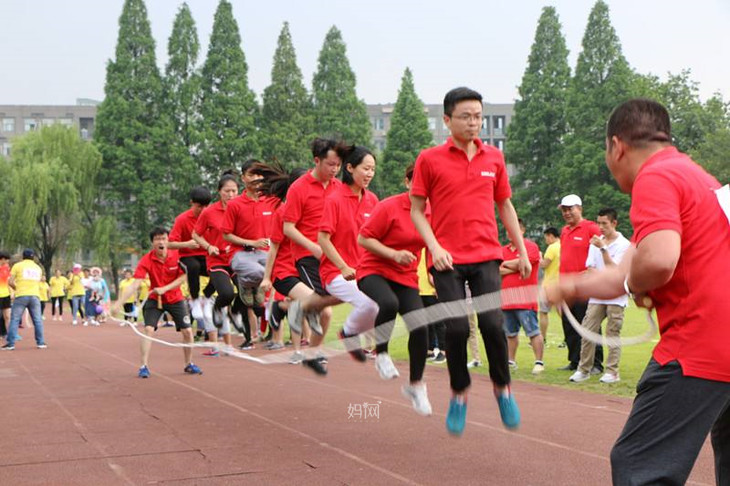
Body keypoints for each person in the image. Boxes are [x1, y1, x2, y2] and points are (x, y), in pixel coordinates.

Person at [547, 98, 730, 485]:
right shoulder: (698, 177)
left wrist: (636, 284)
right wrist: (571, 286)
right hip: (721, 345)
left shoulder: (655, 176)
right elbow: (629, 268)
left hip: (701, 345)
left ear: (617, 146)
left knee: (640, 466)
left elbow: (659, 261)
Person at [410, 87, 529, 435]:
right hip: (446, 259)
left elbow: (505, 205)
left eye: (478, 116)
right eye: (466, 116)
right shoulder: (429, 159)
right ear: (447, 120)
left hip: (487, 255)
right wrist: (434, 248)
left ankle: (502, 389)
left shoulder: (494, 158)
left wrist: (520, 250)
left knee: (493, 324)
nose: (474, 122)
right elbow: (417, 211)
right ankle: (459, 393)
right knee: (458, 328)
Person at [291, 145, 380, 375]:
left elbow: (376, 237)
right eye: (365, 168)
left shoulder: (372, 200)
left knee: (382, 303)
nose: (370, 173)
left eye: (373, 169)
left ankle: (299, 312)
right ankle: (348, 335)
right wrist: (342, 265)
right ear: (351, 168)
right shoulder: (334, 198)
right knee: (368, 304)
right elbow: (322, 238)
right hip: (335, 270)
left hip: (362, 271)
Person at [357, 163, 431, 415]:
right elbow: (363, 238)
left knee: (421, 326)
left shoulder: (433, 212)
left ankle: (416, 386)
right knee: (389, 304)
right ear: (407, 182)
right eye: (416, 181)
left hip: (406, 277)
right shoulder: (389, 206)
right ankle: (381, 354)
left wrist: (433, 272)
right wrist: (393, 254)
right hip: (373, 269)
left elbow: (434, 245)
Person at [283, 138, 346, 374]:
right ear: (316, 161)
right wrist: (313, 247)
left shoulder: (339, 188)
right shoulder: (299, 188)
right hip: (308, 256)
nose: (334, 170)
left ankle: (312, 352)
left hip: (332, 254)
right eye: (330, 164)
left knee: (341, 301)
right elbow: (288, 228)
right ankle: (296, 313)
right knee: (326, 310)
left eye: (338, 165)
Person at [113, 227, 202, 378]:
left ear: (169, 241)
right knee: (148, 329)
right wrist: (118, 303)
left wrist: (165, 288)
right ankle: (143, 366)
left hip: (175, 298)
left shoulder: (177, 255)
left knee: (187, 331)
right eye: (157, 239)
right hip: (154, 299)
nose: (161, 242)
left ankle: (188, 364)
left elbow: (183, 277)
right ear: (152, 243)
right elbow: (135, 284)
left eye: (164, 239)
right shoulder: (146, 260)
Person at [569, 208, 630, 384]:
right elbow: (591, 268)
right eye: (599, 223)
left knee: (612, 332)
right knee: (588, 330)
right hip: (597, 294)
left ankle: (612, 371)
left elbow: (616, 271)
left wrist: (603, 250)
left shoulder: (623, 245)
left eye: (605, 223)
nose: (601, 227)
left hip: (616, 295)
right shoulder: (595, 243)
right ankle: (584, 369)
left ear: (614, 223)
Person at [223, 159, 278, 346]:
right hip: (241, 253)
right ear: (243, 177)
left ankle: (271, 331)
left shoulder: (271, 201)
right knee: (262, 275)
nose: (256, 179)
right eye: (251, 175)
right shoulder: (235, 204)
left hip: (266, 253)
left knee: (278, 277)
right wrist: (251, 242)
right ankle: (247, 284)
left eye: (259, 175)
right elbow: (226, 235)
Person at [192, 172, 240, 355]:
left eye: (234, 191)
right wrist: (209, 246)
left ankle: (229, 315)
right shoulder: (209, 212)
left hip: (237, 259)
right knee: (227, 293)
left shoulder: (241, 209)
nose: (230, 194)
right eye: (227, 191)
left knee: (247, 294)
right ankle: (216, 311)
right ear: (219, 192)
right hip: (217, 260)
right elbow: (196, 235)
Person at [557, 194, 603, 373]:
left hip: (585, 287)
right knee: (570, 326)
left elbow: (603, 249)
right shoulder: (565, 231)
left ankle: (596, 363)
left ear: (580, 209)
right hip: (566, 288)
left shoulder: (591, 228)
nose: (567, 213)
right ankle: (575, 361)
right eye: (564, 210)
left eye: (570, 209)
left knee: (590, 325)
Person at [500, 219, 544, 375]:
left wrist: (508, 264)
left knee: (532, 331)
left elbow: (527, 263)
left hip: (525, 299)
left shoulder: (530, 247)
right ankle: (511, 360)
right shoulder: (503, 249)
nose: (510, 232)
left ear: (522, 230)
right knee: (510, 333)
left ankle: (539, 361)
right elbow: (498, 269)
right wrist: (517, 266)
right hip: (506, 299)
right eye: (508, 229)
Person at [168, 186, 213, 325]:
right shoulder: (182, 219)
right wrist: (186, 244)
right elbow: (170, 244)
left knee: (221, 269)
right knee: (193, 266)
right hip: (187, 256)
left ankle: (206, 296)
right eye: (199, 206)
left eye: (206, 206)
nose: (203, 210)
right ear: (192, 203)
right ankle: (194, 300)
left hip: (207, 255)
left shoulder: (212, 217)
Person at [2, 249, 46, 350]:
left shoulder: (18, 266)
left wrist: (16, 288)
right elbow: (38, 281)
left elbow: (10, 281)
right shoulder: (38, 268)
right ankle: (41, 342)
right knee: (37, 320)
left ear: (23, 256)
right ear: (33, 257)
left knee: (15, 319)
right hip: (35, 295)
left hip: (21, 295)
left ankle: (11, 343)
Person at [538, 227, 560, 343]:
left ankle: (543, 338)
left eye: (546, 237)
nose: (546, 240)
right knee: (562, 313)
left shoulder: (552, 248)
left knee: (543, 312)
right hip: (560, 284)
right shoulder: (563, 245)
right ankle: (568, 337)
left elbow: (544, 264)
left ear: (551, 236)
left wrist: (539, 257)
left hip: (549, 285)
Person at [0, 251, 11, 341]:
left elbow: (8, 281)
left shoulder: (7, 268)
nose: (7, 262)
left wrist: (12, 292)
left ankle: (9, 333)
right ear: (2, 259)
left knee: (7, 316)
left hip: (6, 295)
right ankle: (2, 333)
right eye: (7, 260)